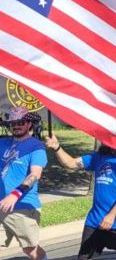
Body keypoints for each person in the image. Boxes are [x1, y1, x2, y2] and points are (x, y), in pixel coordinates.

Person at [45, 134, 116, 259]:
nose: (104, 140)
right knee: (84, 257)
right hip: (95, 220)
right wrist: (57, 147)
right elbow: (71, 163)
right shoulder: (98, 157)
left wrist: (112, 215)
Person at [0, 106, 48, 260]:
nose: (16, 125)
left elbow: (35, 175)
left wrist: (15, 194)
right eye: (13, 122)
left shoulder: (36, 147)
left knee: (30, 250)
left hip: (21, 206)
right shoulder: (4, 143)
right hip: (2, 204)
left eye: (21, 121)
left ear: (29, 124)